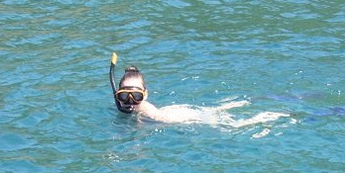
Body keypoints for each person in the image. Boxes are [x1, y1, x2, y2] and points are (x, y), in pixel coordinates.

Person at [109, 55, 288, 135]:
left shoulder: (144, 114)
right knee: (221, 110)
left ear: (145, 95)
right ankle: (251, 102)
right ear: (117, 95)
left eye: (136, 96)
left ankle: (273, 115)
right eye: (124, 96)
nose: (130, 102)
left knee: (235, 126)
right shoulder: (137, 111)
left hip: (193, 118)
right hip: (182, 111)